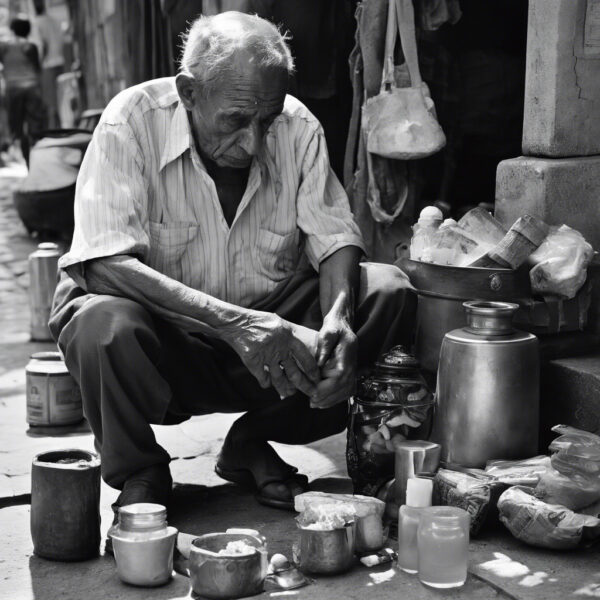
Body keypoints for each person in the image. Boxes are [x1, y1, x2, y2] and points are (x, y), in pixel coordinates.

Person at [50, 12, 415, 517]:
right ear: (189, 92)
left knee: (388, 293)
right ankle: (141, 472)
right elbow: (104, 264)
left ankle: (252, 440)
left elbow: (334, 239)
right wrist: (237, 325)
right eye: (236, 121)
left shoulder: (298, 125)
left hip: (272, 346)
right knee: (101, 324)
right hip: (170, 342)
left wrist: (338, 321)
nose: (254, 143)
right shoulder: (130, 122)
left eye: (266, 121)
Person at [0, 16, 47, 164]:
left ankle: (27, 161)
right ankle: (36, 158)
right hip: (31, 87)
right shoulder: (30, 46)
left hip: (13, 89)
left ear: (12, 30)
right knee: (35, 127)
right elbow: (37, 68)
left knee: (18, 129)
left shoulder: (4, 46)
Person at [32, 0, 65, 129]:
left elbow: (42, 45)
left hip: (47, 65)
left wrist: (38, 65)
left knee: (50, 102)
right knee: (59, 98)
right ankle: (61, 126)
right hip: (59, 62)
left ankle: (54, 131)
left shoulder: (37, 22)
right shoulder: (54, 20)